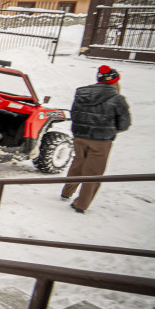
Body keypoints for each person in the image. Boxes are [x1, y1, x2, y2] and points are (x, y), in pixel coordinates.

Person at [61, 65, 131, 214]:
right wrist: (110, 130)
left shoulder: (81, 92)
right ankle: (81, 204)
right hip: (101, 141)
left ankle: (67, 191)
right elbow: (124, 124)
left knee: (78, 163)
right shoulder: (118, 99)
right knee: (93, 172)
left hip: (79, 136)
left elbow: (74, 114)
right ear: (115, 82)